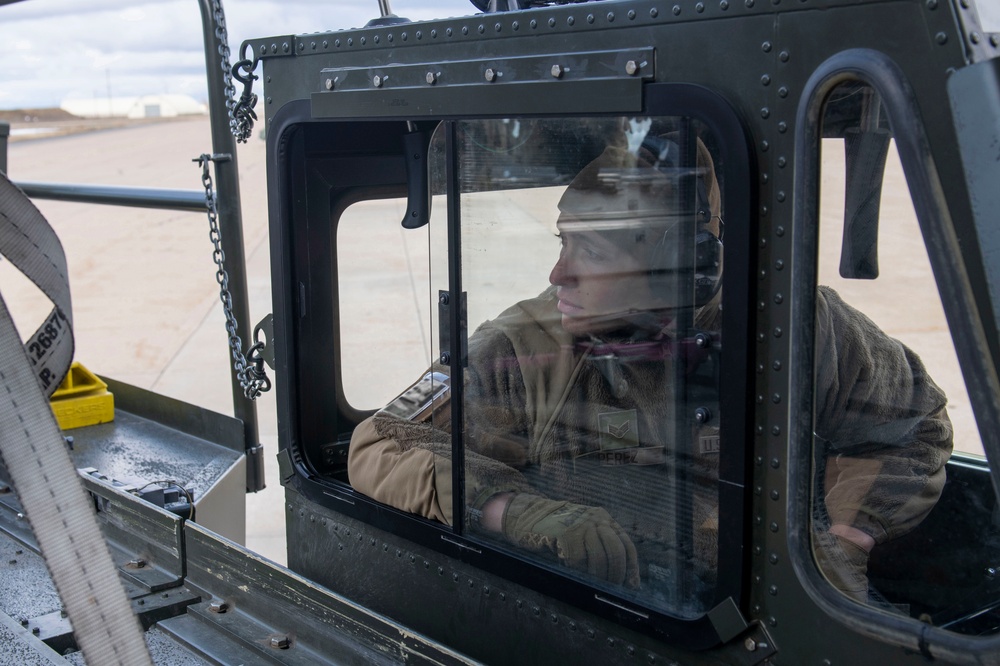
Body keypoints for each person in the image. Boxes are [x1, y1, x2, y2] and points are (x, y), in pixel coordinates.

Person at [347, 125, 953, 612]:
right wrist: (508, 508)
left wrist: (844, 542)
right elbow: (382, 444)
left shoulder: (798, 327)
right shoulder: (526, 345)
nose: (559, 274)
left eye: (590, 249)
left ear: (684, 263)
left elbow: (912, 427)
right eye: (563, 242)